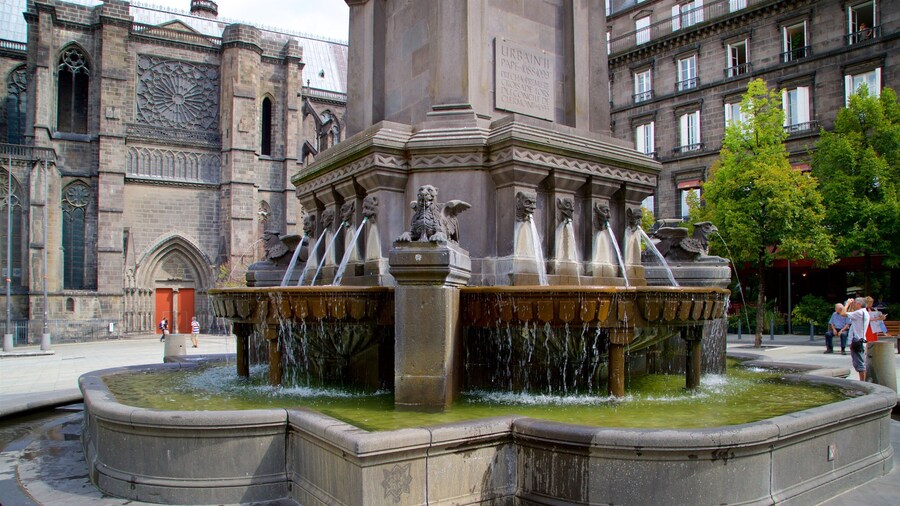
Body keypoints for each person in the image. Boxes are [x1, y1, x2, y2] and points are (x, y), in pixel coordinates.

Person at [840, 297, 870, 381]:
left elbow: (843, 313)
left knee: (859, 363)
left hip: (857, 340)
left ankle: (862, 382)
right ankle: (863, 381)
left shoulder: (859, 313)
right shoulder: (863, 312)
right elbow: (850, 313)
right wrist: (851, 305)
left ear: (859, 304)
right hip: (861, 340)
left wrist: (847, 304)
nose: (854, 304)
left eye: (855, 303)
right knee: (859, 362)